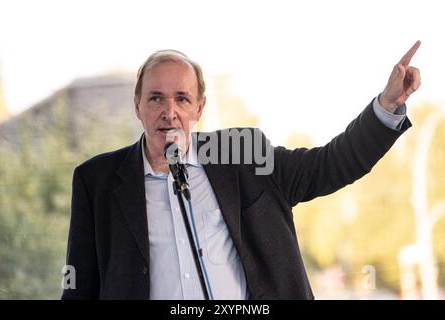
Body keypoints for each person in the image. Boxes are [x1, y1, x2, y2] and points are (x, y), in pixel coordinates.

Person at [61, 41, 421, 299]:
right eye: (155, 98)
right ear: (137, 105)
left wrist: (386, 108)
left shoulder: (242, 155)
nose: (168, 111)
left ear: (199, 108)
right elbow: (79, 288)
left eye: (182, 99)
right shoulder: (97, 181)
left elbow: (329, 165)